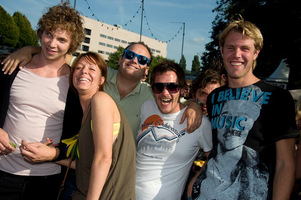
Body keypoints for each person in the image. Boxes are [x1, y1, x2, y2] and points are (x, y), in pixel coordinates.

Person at [190, 17, 298, 200]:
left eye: (245, 48)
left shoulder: (278, 98)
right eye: (230, 48)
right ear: (222, 51)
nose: (236, 55)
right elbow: (216, 149)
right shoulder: (215, 97)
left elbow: (285, 164)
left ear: (256, 52)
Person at [2, 42, 203, 139]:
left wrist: (195, 105)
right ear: (120, 58)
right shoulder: (97, 73)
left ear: (146, 68)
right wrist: (30, 50)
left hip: (118, 173)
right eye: (130, 55)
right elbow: (61, 54)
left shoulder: (152, 93)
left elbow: (177, 102)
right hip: (80, 163)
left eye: (142, 59)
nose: (135, 60)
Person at [0, 3, 84, 200]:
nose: (52, 44)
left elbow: (77, 138)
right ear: (40, 33)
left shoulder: (75, 84)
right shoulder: (12, 67)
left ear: (71, 45)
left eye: (62, 39)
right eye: (49, 34)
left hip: (46, 182)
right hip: (2, 174)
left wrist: (54, 155)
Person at [135, 60, 212, 199]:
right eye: (158, 87)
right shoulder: (146, 107)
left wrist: (196, 180)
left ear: (183, 90)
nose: (165, 93)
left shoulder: (199, 123)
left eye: (172, 87)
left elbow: (213, 157)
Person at [65, 52, 135, 199]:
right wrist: (48, 155)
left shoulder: (100, 99)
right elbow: (86, 165)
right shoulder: (86, 113)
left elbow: (104, 158)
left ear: (102, 80)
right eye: (78, 68)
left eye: (92, 69)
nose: (84, 71)